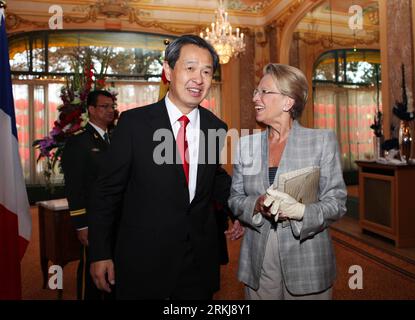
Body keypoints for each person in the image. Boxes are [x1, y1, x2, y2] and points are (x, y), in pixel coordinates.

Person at [89, 35, 242, 300]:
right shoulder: (134, 124)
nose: (199, 79)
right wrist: (100, 252)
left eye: (207, 71)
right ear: (169, 71)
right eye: (190, 68)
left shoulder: (216, 127)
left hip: (197, 261)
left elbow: (211, 177)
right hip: (144, 260)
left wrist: (237, 208)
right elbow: (107, 192)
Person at [228, 63, 347, 300]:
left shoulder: (321, 141)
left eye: (264, 92)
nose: (255, 98)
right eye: (255, 91)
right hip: (258, 254)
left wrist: (301, 211)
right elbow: (235, 199)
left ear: (288, 102)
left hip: (306, 254)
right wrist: (256, 204)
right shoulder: (245, 145)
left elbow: (337, 202)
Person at [61, 90, 116, 300]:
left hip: (115, 217)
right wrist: (81, 224)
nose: (110, 111)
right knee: (92, 269)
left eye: (112, 106)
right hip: (93, 219)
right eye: (105, 107)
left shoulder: (115, 138)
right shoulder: (79, 142)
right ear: (91, 110)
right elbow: (74, 187)